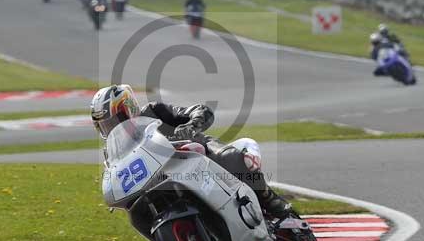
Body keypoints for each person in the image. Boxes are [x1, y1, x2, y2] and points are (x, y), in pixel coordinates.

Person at [90, 84, 293, 219]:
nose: (113, 128)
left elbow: (198, 110)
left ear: (129, 107)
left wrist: (191, 124)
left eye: (116, 119)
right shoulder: (115, 151)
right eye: (105, 125)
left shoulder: (153, 112)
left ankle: (271, 201)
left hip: (200, 154)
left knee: (237, 158)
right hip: (164, 184)